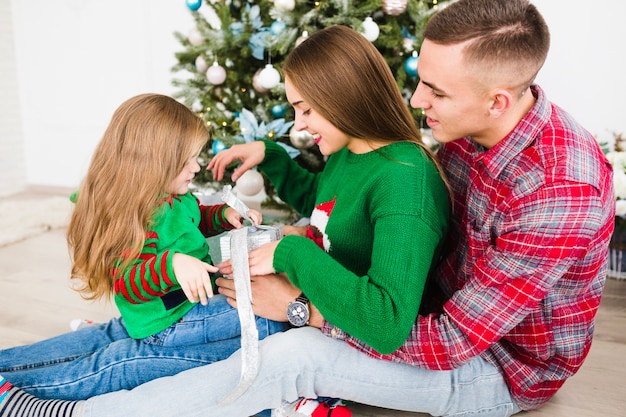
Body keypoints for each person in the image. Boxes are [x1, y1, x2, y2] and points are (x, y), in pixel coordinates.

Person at [0, 0, 616, 416]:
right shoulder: (455, 134)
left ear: (499, 101)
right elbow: (339, 208)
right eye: (420, 77)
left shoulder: (559, 193)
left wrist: (299, 296)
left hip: (498, 366)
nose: (415, 97)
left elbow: (444, 341)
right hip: (422, 308)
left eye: (435, 89)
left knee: (285, 356)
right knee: (143, 334)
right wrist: (274, 171)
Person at [0, 93, 288, 400]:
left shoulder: (171, 199)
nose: (196, 166)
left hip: (180, 310)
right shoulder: (140, 216)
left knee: (263, 305)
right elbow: (127, 282)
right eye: (186, 160)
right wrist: (173, 264)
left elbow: (190, 222)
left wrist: (222, 216)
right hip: (171, 323)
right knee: (264, 313)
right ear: (153, 163)